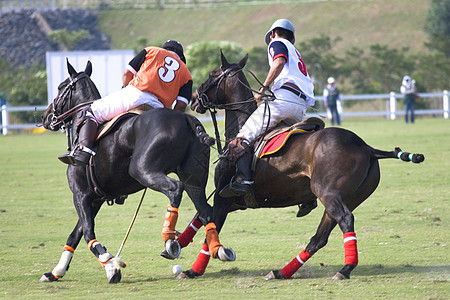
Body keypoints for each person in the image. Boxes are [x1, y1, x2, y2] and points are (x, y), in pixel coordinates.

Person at [220, 18, 316, 215]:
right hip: (300, 106)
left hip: (283, 100)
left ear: (273, 33)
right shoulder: (296, 53)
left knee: (242, 136)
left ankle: (243, 180)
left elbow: (278, 62)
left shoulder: (277, 43)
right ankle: (309, 196)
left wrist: (263, 89)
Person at [58, 40, 193, 166]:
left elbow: (127, 73)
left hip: (135, 95)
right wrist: (168, 120)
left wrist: (126, 89)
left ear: (165, 49)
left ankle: (84, 151)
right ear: (180, 56)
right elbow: (181, 106)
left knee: (90, 111)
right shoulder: (186, 73)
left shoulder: (151, 50)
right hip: (158, 109)